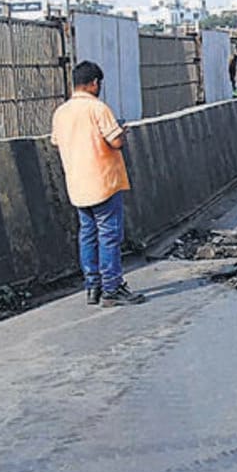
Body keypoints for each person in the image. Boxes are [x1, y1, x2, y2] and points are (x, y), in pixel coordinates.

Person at [50, 61, 146, 306]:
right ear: (94, 83)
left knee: (87, 235)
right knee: (109, 235)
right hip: (103, 182)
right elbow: (116, 142)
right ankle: (112, 287)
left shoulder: (61, 113)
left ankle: (92, 286)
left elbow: (57, 142)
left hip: (77, 184)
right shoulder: (97, 108)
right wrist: (122, 131)